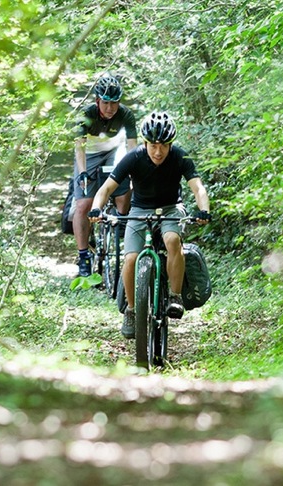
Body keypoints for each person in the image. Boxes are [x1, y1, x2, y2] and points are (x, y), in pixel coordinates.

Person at [88, 112, 211, 339]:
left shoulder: (179, 157)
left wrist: (204, 210)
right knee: (131, 258)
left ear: (170, 144)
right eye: (153, 145)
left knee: (172, 240)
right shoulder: (133, 158)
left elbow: (198, 188)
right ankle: (132, 311)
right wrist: (96, 209)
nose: (158, 151)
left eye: (164, 145)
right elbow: (105, 189)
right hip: (139, 211)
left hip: (171, 208)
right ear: (145, 143)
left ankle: (174, 296)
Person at [72, 74, 137, 277]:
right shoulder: (86, 114)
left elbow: (132, 147)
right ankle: (83, 256)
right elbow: (79, 147)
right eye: (106, 103)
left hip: (112, 152)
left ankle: (120, 234)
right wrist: (83, 173)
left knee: (123, 193)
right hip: (89, 155)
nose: (110, 108)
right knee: (84, 204)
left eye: (115, 103)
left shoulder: (126, 114)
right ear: (98, 100)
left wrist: (133, 170)